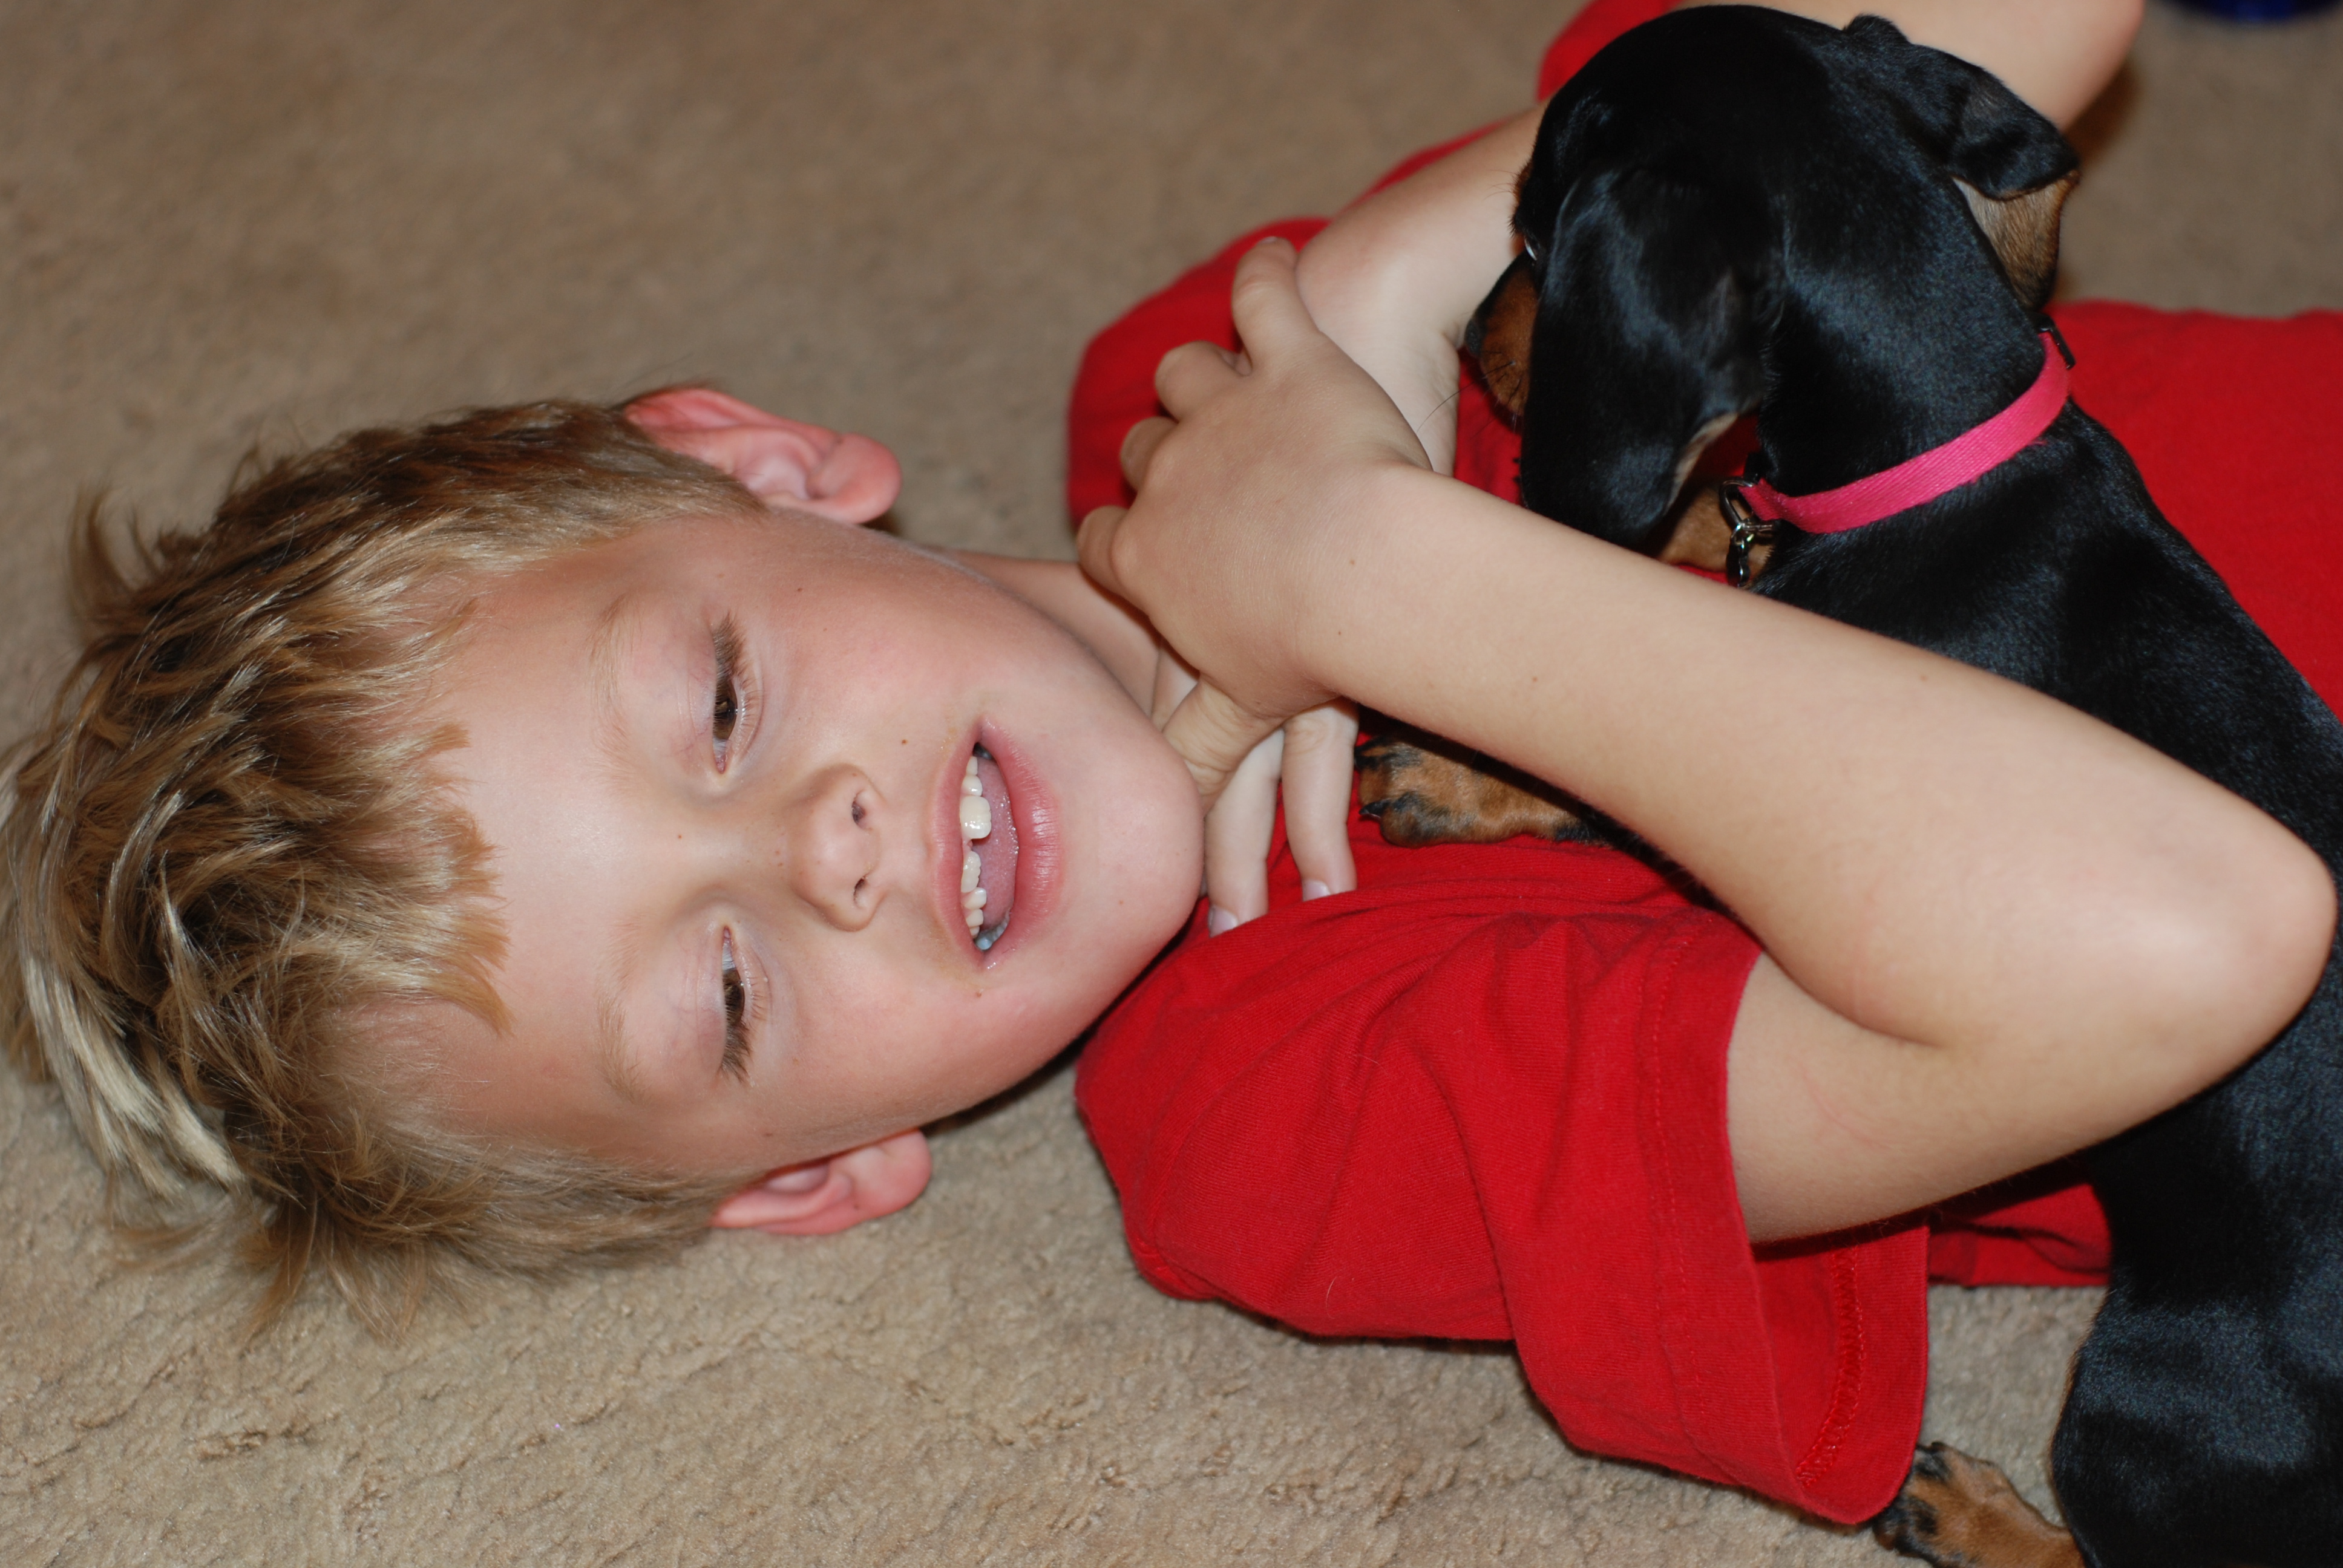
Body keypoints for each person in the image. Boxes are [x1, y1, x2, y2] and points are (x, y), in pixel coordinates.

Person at [2, 0, 2330, 1519]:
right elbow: (2203, 926)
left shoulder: (1222, 360)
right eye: (721, 991)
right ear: (809, 1177)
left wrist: (1415, 263)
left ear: (756, 466)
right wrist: (1371, 578)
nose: (820, 850)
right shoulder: (1275, 1117)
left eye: (715, 708)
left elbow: (2033, 38)